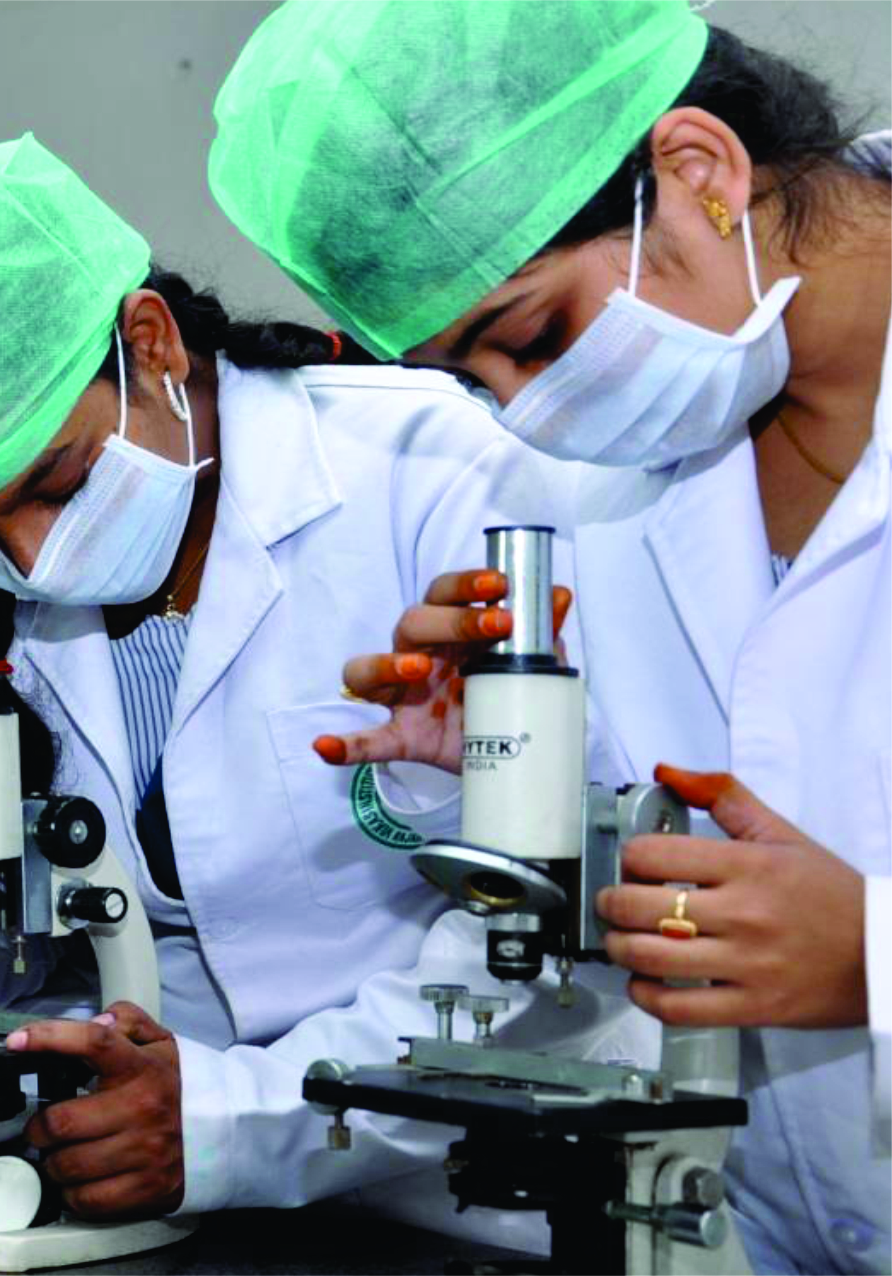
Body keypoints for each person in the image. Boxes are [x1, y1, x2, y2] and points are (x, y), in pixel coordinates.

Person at [0, 135, 641, 1244]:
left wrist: (236, 1122)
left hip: (473, 1182)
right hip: (153, 1178)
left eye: (56, 481)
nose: (29, 560)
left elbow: (564, 921)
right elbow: (22, 963)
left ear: (150, 342)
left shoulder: (436, 467)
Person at [211, 4, 888, 1270]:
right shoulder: (605, 490)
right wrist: (511, 766)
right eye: (474, 379)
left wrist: (874, 953)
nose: (524, 417)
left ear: (698, 171)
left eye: (531, 337)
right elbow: (674, 854)